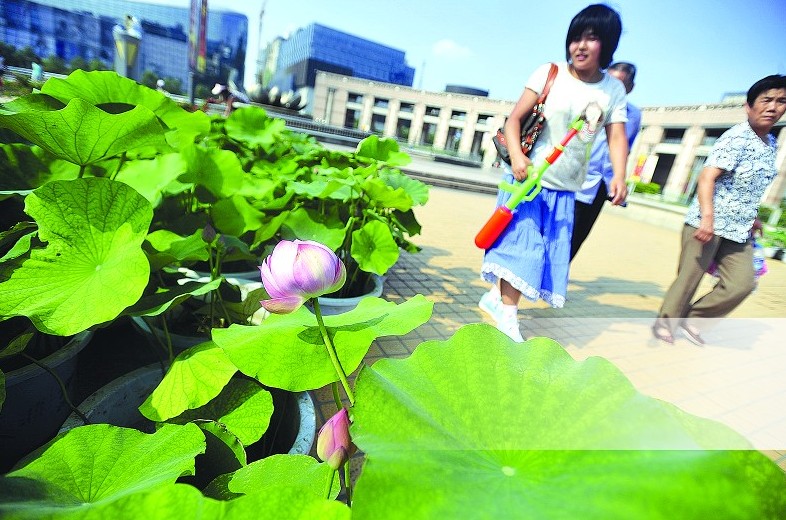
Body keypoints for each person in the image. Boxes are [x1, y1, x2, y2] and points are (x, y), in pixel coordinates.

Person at [478, 4, 629, 342]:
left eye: (591, 38)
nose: (581, 46)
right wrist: (517, 156)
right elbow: (514, 118)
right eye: (576, 37)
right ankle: (508, 319)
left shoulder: (612, 90)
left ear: (607, 44)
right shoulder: (550, 73)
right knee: (523, 248)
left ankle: (496, 299)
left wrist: (619, 175)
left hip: (565, 187)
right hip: (527, 180)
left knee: (542, 255)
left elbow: (616, 135)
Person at [652, 74, 786, 345]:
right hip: (707, 224)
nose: (773, 107)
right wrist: (707, 219)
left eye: (781, 101)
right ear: (749, 107)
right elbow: (706, 177)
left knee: (742, 283)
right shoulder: (736, 137)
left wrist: (755, 218)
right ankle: (666, 323)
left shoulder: (771, 143)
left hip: (740, 230)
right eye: (766, 100)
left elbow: (749, 187)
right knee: (689, 278)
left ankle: (694, 320)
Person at [571, 62, 641, 260]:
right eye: (609, 79)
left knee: (577, 236)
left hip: (601, 185)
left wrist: (619, 178)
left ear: (630, 88)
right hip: (574, 178)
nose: (613, 87)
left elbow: (624, 147)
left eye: (620, 83)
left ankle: (552, 284)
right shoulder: (588, 103)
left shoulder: (633, 115)